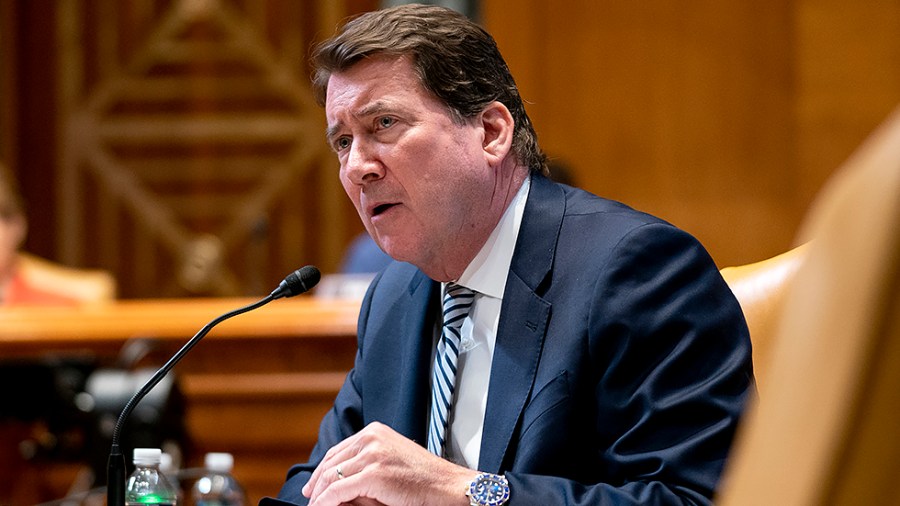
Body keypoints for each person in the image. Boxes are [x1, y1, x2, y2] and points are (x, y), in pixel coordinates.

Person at [267, 4, 753, 505]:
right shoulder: (393, 296)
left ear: (491, 132)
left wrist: (463, 493)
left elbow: (692, 497)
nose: (357, 168)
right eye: (343, 142)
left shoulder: (639, 271)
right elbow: (313, 485)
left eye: (384, 124)